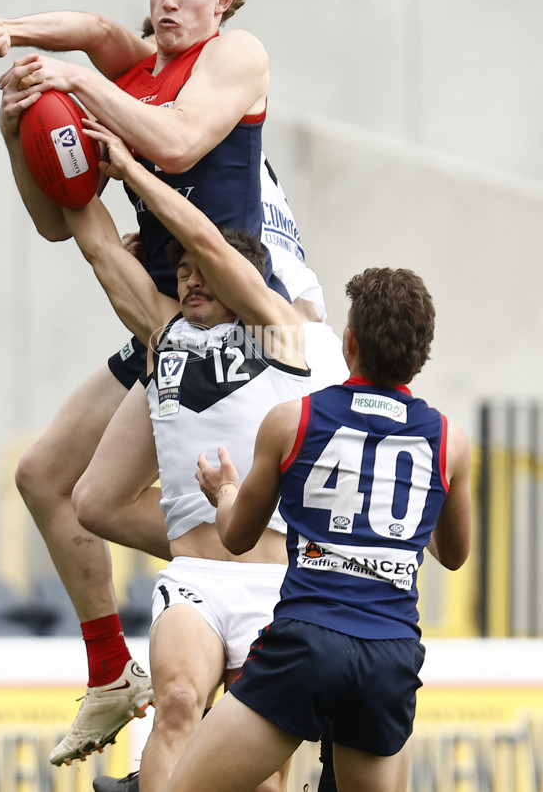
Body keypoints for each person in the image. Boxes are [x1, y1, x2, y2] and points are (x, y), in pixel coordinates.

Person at [0, 0, 335, 766]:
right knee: (61, 487)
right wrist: (23, 127)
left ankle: (260, 562)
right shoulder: (138, 73)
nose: (167, 2)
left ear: (225, 4)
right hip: (170, 315)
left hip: (239, 311)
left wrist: (66, 75)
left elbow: (172, 141)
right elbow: (65, 224)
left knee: (121, 513)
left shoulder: (235, 57)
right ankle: (110, 671)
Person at [54, 117, 345, 792]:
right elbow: (99, 247)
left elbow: (212, 242)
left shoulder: (284, 337)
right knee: (179, 703)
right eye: (179, 272)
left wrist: (134, 172)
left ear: (239, 279)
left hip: (274, 585)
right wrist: (49, 153)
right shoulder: (163, 333)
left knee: (263, 767)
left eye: (202, 274)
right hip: (196, 580)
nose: (188, 282)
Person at [164, 266, 472, 792]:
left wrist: (224, 493)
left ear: (349, 342)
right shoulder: (450, 442)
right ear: (421, 356)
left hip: (305, 646)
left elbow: (236, 537)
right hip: (388, 657)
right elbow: (455, 553)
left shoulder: (293, 420)